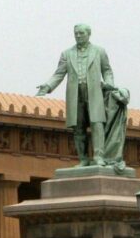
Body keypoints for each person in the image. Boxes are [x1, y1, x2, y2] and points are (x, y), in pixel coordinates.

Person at [36, 24, 115, 166]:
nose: (78, 36)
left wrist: (109, 83)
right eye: (76, 33)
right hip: (75, 94)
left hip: (94, 93)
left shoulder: (99, 51)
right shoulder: (67, 54)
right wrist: (48, 86)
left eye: (81, 33)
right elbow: (59, 73)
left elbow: (107, 71)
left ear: (88, 34)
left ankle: (98, 156)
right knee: (78, 128)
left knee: (97, 124)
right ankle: (83, 159)